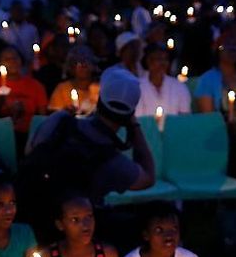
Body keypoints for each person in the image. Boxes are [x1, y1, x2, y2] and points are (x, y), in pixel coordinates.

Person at [23, 68, 155, 223]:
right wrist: (134, 125)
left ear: (99, 100)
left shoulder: (59, 121)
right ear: (129, 115)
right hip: (78, 230)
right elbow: (148, 177)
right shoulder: (113, 161)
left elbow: (29, 152)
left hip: (32, 210)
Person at [0, 44, 47, 140]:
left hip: (29, 136)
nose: (12, 62)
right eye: (7, 59)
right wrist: (0, 103)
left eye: (15, 58)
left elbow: (42, 118)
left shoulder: (35, 86)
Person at [134, 43, 191, 118]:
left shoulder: (179, 86)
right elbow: (138, 119)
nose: (163, 63)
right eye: (159, 59)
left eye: (166, 59)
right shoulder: (136, 86)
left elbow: (185, 118)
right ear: (149, 61)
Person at [47, 45, 99, 115]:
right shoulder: (62, 89)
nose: (83, 66)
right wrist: (65, 113)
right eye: (77, 63)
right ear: (71, 67)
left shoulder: (101, 88)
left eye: (86, 62)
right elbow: (53, 116)